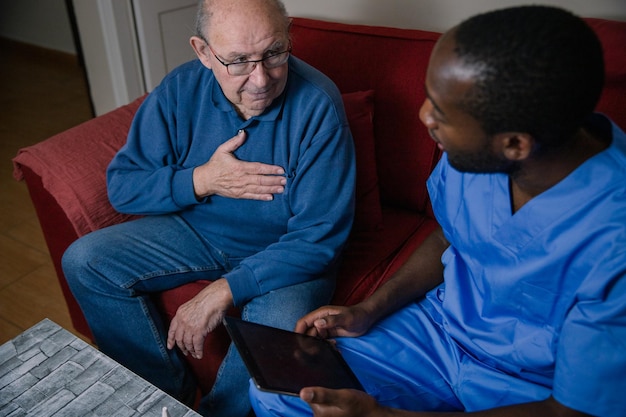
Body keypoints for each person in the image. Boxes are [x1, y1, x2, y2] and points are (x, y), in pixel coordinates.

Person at [249, 5, 626, 417]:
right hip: (436, 334)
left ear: (515, 144)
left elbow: (572, 412)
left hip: (533, 390)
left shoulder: (614, 241)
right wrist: (367, 310)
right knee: (283, 391)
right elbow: (450, 235)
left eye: (442, 115)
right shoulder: (477, 149)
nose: (424, 116)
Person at [61, 0, 356, 416]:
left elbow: (319, 239)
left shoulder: (318, 105)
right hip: (197, 233)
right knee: (85, 260)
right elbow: (123, 187)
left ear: (289, 34)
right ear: (203, 52)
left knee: (273, 342)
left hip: (287, 257)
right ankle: (162, 398)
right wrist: (203, 180)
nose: (260, 79)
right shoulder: (179, 89)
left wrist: (224, 291)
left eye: (274, 53)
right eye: (238, 61)